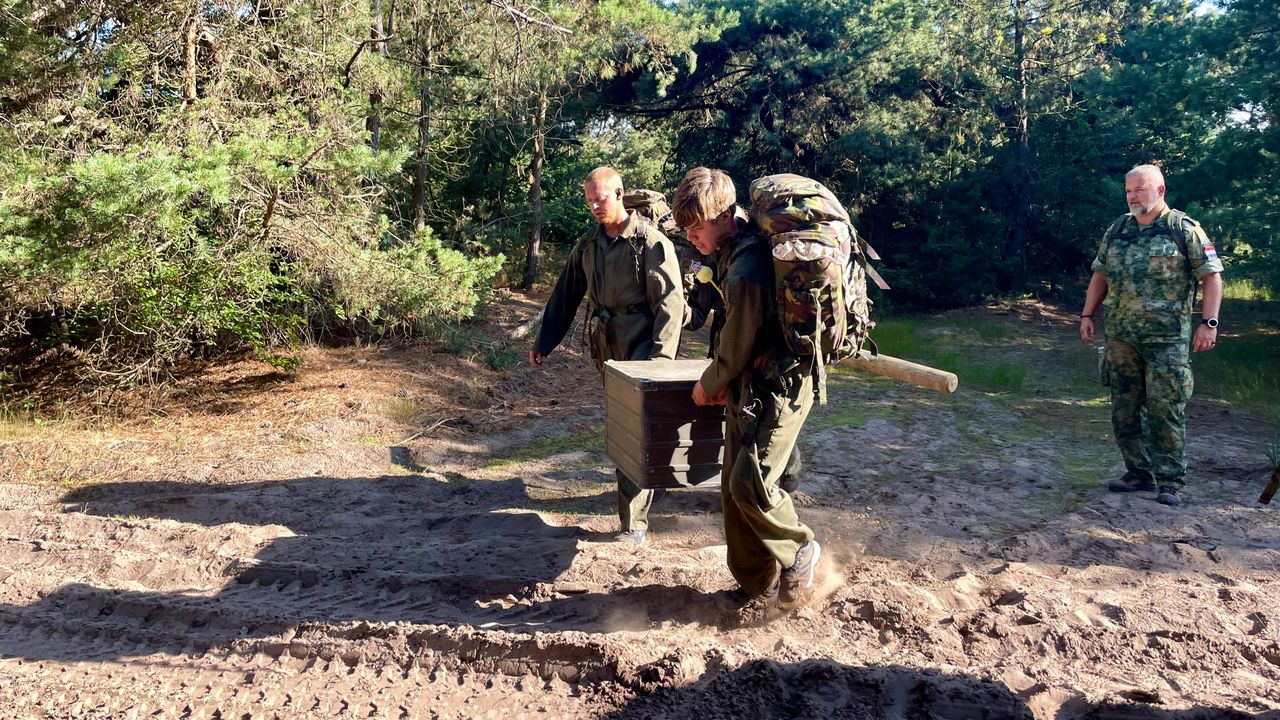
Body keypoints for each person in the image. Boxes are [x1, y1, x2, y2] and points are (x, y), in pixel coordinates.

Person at [672, 166, 820, 605]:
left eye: (697, 227)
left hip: (778, 388)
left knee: (749, 484)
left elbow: (737, 339)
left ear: (724, 217)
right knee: (731, 490)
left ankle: (801, 548)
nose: (691, 237)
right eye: (686, 229)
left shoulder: (747, 266)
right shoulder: (727, 254)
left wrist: (710, 382)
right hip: (750, 386)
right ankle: (756, 585)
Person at [529, 166, 684, 544]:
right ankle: (651, 486)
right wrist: (544, 342)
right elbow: (566, 294)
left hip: (643, 346)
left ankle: (634, 525)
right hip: (607, 347)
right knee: (627, 427)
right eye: (590, 200)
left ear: (619, 195)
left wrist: (660, 362)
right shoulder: (588, 245)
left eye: (600, 199)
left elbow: (670, 304)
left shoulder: (649, 242)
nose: (595, 206)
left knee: (633, 429)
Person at [1079, 164, 1224, 507]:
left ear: (1160, 191)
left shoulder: (1183, 229)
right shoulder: (1118, 229)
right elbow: (1100, 275)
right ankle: (1138, 473)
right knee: (1124, 409)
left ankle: (1170, 480)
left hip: (1167, 341)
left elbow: (1212, 276)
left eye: (1139, 190)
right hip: (1121, 339)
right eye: (1128, 191)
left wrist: (1209, 323)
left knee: (1165, 410)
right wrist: (1087, 314)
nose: (1132, 197)